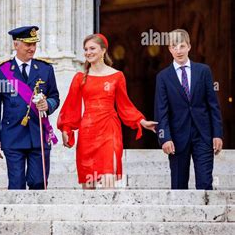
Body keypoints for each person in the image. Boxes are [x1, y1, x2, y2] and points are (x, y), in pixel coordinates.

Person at [57, 33, 157, 189]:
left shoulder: (117, 76)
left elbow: (125, 105)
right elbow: (71, 105)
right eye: (86, 49)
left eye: (92, 48)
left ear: (103, 51)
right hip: (87, 131)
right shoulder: (79, 77)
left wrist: (141, 121)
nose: (88, 52)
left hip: (109, 129)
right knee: (88, 184)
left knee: (108, 175)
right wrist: (66, 128)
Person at [0, 26, 60, 190]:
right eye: (27, 44)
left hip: (39, 134)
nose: (32, 48)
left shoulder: (45, 69)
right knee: (16, 186)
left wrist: (47, 105)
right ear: (16, 45)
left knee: (39, 183)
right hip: (13, 135)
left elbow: (55, 97)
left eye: (34, 44)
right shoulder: (1, 71)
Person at [154, 29, 223, 190]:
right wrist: (164, 138)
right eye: (174, 46)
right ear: (169, 49)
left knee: (205, 184)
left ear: (189, 47)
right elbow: (161, 111)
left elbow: (213, 105)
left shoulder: (203, 71)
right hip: (176, 138)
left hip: (203, 135)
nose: (178, 50)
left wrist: (217, 134)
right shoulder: (163, 77)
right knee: (178, 186)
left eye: (182, 46)